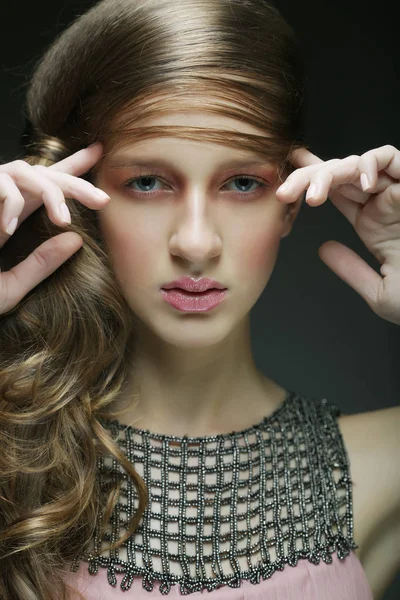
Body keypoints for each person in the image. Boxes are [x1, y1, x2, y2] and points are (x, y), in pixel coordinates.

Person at [0, 0, 399, 599]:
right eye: (147, 182)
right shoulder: (12, 458)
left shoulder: (386, 462)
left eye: (242, 183)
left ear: (290, 202)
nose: (195, 243)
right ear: (78, 197)